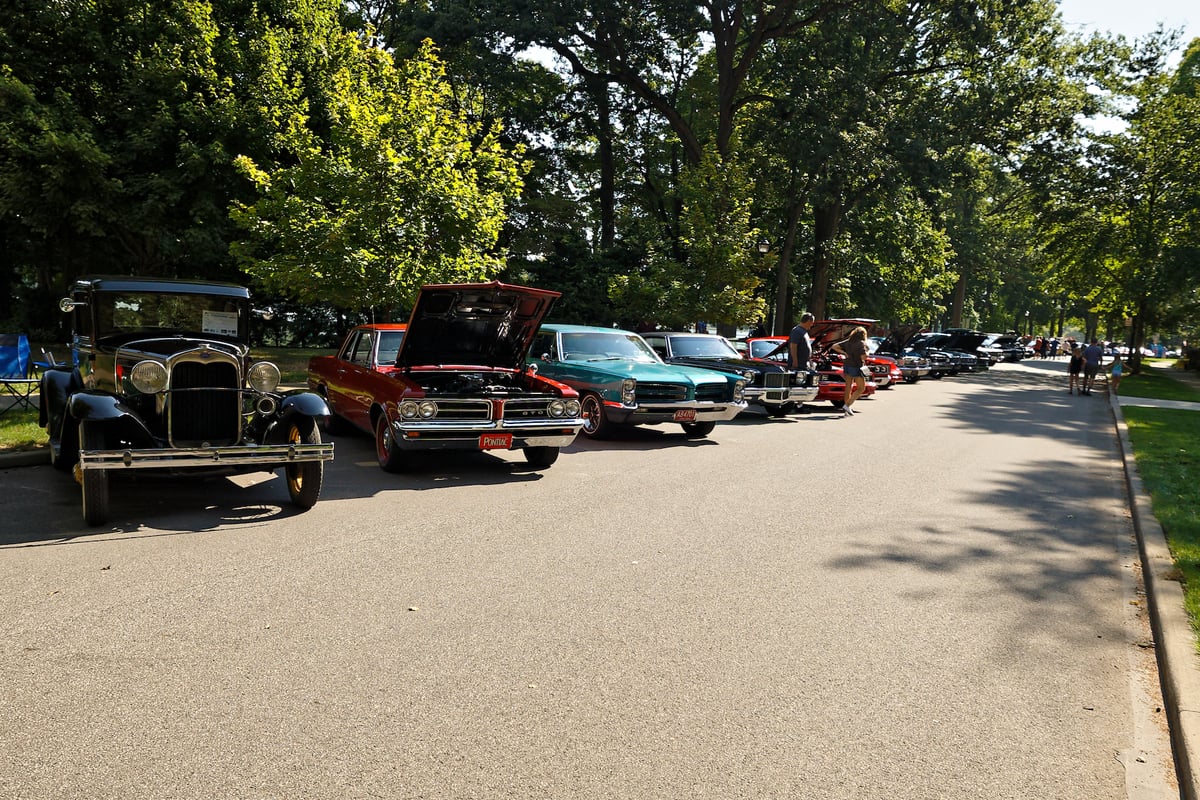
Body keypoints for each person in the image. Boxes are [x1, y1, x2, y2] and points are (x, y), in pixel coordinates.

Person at [832, 326, 870, 416]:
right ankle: (847, 405)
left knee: (848, 387)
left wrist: (844, 352)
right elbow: (863, 357)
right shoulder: (861, 343)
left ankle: (847, 410)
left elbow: (834, 346)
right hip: (856, 367)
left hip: (847, 366)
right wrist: (868, 352)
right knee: (861, 388)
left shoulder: (848, 341)